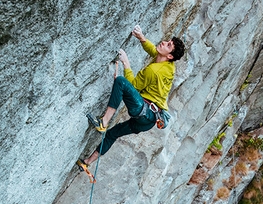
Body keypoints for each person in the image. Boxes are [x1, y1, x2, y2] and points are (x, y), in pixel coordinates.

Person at [77, 25, 185, 174]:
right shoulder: (169, 66)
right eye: (168, 41)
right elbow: (154, 51)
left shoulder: (154, 71)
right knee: (112, 134)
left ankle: (104, 121)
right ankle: (86, 163)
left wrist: (126, 63)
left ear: (170, 55)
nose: (164, 42)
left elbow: (134, 86)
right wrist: (142, 38)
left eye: (168, 45)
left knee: (121, 82)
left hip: (144, 110)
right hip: (149, 120)